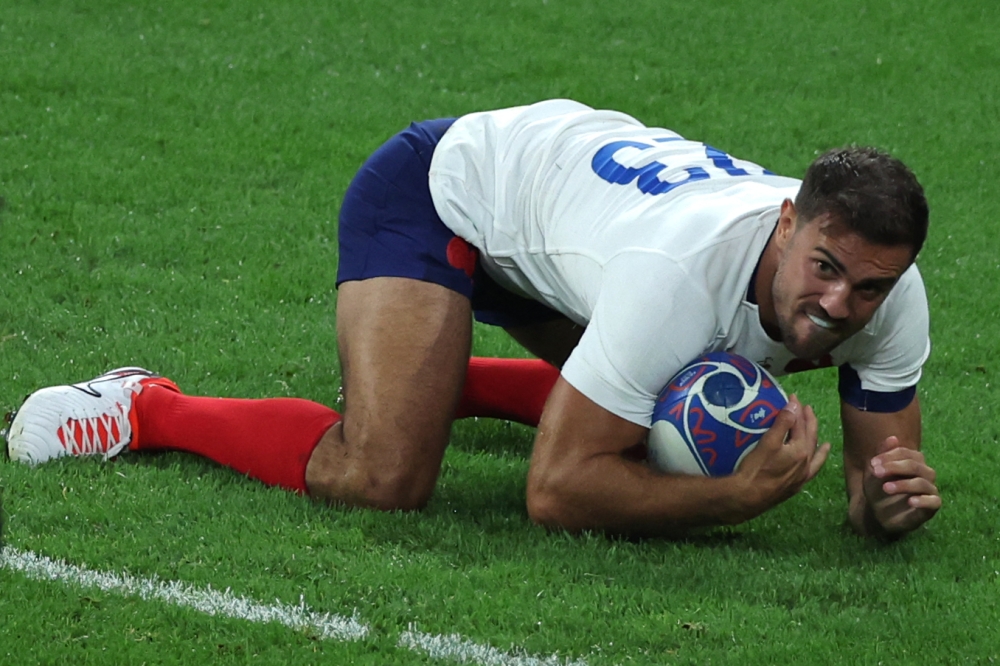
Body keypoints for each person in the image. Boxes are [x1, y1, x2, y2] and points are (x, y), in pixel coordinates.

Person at [5, 99, 941, 539]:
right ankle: (147, 407)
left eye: (868, 289)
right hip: (447, 196)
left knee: (683, 395)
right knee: (381, 475)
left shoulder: (889, 294)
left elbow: (873, 478)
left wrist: (884, 507)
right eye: (824, 270)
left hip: (577, 241)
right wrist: (729, 502)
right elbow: (558, 493)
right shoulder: (678, 280)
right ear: (789, 223)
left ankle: (435, 387)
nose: (838, 308)